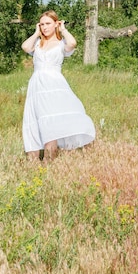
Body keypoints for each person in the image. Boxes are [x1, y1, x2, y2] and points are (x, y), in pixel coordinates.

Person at [21, 10, 96, 161]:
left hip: (54, 85)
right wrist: (36, 33)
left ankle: (50, 161)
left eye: (48, 23)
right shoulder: (37, 43)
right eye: (41, 24)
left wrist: (63, 29)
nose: (44, 27)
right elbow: (25, 47)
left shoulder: (62, 44)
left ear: (56, 23)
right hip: (37, 86)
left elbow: (73, 43)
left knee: (51, 121)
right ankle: (33, 161)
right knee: (35, 120)